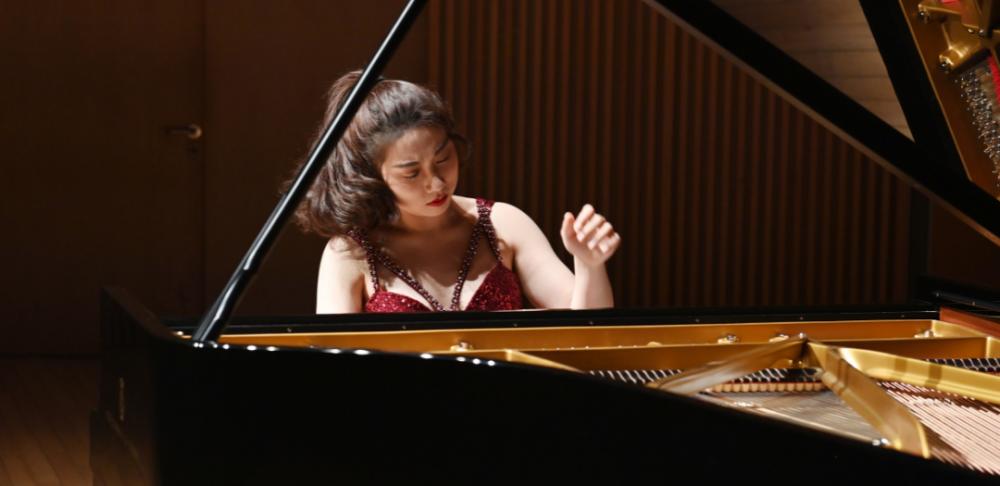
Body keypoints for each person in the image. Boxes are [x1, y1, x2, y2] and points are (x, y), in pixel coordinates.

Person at [293, 71, 621, 313]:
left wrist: (589, 265)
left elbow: (587, 331)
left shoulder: (503, 224)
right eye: (411, 173)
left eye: (443, 159)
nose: (436, 183)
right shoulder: (350, 252)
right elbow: (335, 367)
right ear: (370, 175)